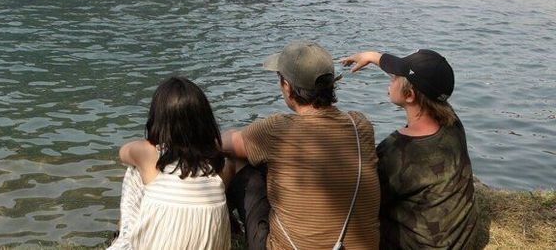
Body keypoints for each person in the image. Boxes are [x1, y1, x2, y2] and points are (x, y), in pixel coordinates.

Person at [222, 41, 379, 250]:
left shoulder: (278, 129)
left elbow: (221, 143)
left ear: (287, 86)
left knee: (239, 160)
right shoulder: (360, 125)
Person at [340, 49, 483, 249]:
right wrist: (372, 57)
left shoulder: (397, 151)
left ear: (409, 95)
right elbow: (423, 82)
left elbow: (363, 201)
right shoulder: (452, 124)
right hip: (460, 240)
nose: (390, 78)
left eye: (395, 77)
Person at [108, 76, 230, 250]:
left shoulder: (149, 154)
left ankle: (125, 238)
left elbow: (123, 152)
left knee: (134, 171)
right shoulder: (218, 162)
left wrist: (152, 145)